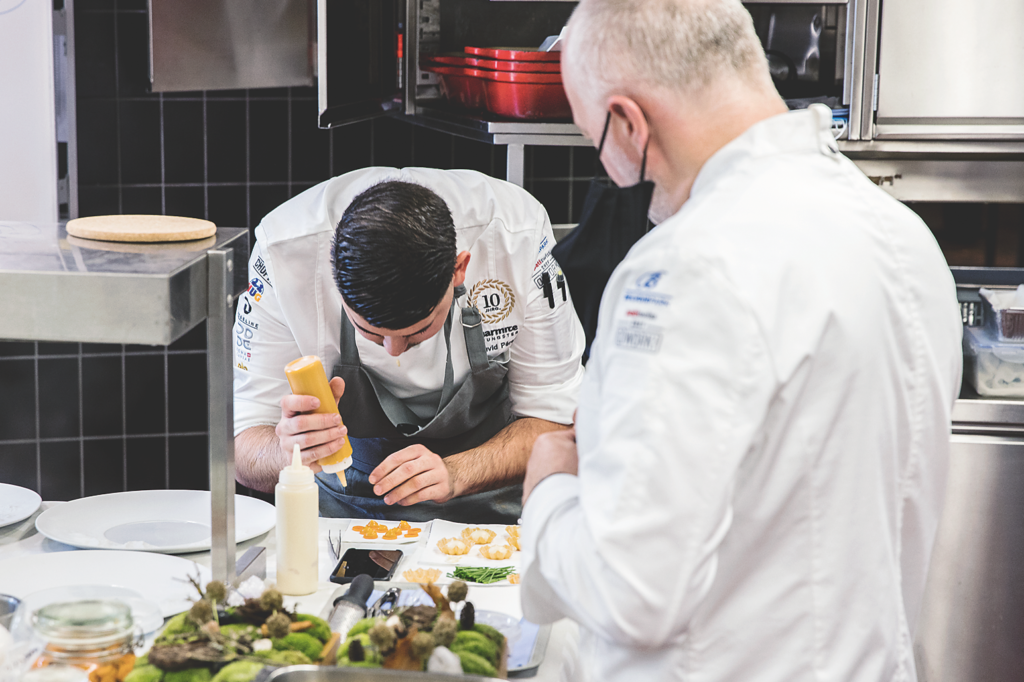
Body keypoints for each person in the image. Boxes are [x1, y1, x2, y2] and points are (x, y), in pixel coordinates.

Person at [519, 1, 963, 681]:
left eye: (595, 139)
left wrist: (550, 487)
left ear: (630, 122)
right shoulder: (902, 237)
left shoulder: (686, 267)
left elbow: (629, 590)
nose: (608, 170)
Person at [233, 168, 585, 523]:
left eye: (418, 332)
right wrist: (290, 451)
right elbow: (241, 449)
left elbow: (557, 421)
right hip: (343, 513)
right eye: (369, 332)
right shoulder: (282, 254)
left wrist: (458, 473)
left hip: (493, 508)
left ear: (459, 270)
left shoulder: (516, 236)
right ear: (333, 281)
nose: (394, 352)